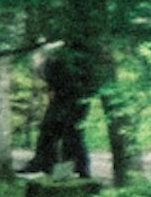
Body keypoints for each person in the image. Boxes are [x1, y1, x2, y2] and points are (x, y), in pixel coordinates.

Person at [27, 33, 98, 178]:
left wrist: (43, 62)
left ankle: (75, 171)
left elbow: (52, 72)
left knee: (70, 134)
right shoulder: (68, 51)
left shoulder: (72, 54)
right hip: (67, 96)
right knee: (53, 131)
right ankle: (48, 166)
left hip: (73, 97)